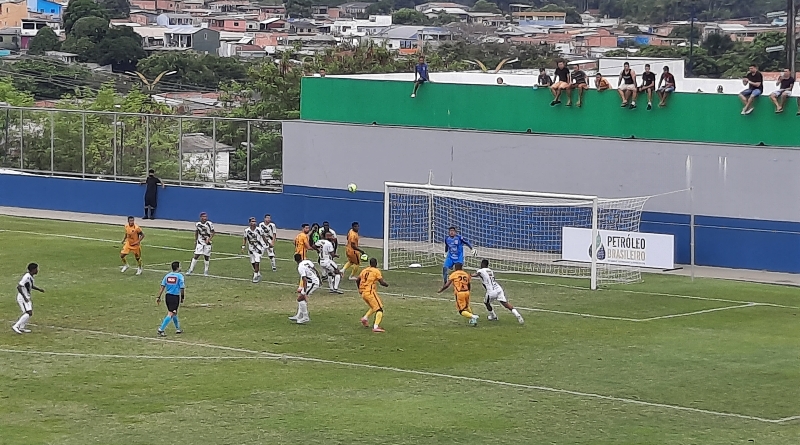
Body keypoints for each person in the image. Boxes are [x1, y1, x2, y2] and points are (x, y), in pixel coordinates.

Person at [473, 259, 524, 324]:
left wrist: (470, 275)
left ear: (482, 264)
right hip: (498, 288)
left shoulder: (481, 270)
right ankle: (517, 315)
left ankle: (493, 316)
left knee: (486, 303)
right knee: (506, 304)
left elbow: (478, 273)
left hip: (491, 291)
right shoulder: (490, 271)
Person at [356, 257, 389, 333]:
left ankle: (365, 318)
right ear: (376, 264)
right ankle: (376, 326)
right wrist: (386, 285)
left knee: (373, 307)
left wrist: (359, 289)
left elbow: (357, 280)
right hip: (370, 293)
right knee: (379, 309)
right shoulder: (376, 271)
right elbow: (381, 282)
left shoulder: (364, 270)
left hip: (364, 293)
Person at [11, 263, 43, 334]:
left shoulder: (30, 277)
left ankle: (22, 327)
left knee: (28, 313)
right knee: (28, 313)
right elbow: (19, 287)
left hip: (26, 297)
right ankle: (16, 326)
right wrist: (24, 297)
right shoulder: (26, 277)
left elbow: (30, 286)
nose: (37, 270)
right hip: (23, 298)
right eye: (36, 269)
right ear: (33, 270)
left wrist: (39, 289)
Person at [289, 253, 320, 324]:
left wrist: (305, 291)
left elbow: (304, 279)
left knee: (300, 299)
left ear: (295, 260)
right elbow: (315, 270)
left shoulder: (300, 267)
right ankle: (299, 316)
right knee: (301, 298)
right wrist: (319, 279)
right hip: (312, 281)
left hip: (312, 283)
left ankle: (306, 317)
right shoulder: (307, 262)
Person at [156, 261, 185, 337]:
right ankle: (161, 329)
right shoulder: (179, 276)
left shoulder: (167, 276)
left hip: (168, 296)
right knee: (171, 313)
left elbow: (162, 286)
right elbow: (182, 288)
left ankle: (178, 328)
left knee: (173, 312)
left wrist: (158, 296)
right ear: (178, 268)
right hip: (175, 297)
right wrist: (182, 297)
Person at [187, 212, 214, 276]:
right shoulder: (198, 224)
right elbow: (196, 232)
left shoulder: (209, 224)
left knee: (206, 257)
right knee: (196, 255)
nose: (205, 218)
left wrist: (209, 239)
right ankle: (190, 270)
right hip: (200, 242)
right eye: (203, 216)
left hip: (207, 243)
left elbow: (213, 232)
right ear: (201, 217)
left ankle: (206, 271)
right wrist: (196, 240)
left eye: (206, 216)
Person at [242, 217, 266, 283]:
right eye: (252, 221)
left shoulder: (259, 230)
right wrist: (243, 246)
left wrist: (267, 244)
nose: (254, 223)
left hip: (259, 248)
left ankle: (255, 276)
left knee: (257, 260)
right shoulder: (247, 231)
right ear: (249, 223)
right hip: (251, 248)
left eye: (255, 221)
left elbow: (263, 237)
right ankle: (258, 273)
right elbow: (245, 238)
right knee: (252, 262)